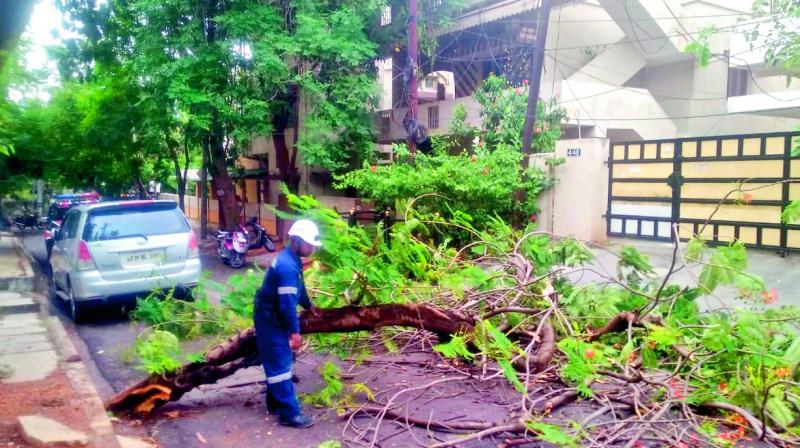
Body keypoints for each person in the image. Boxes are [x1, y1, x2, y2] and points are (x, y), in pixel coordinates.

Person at [253, 219, 322, 428]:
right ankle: (290, 414)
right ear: (297, 241)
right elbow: (286, 305)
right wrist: (295, 333)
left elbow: (298, 290)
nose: (312, 249)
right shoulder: (287, 267)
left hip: (273, 315)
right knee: (280, 365)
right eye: (309, 245)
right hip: (270, 318)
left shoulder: (293, 261)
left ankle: (274, 403)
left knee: (277, 362)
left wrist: (309, 306)